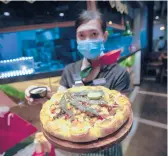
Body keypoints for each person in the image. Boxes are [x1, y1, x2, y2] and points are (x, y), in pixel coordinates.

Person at [25, 10, 130, 156]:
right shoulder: (70, 70)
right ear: (76, 39)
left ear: (104, 36)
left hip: (108, 149)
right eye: (82, 35)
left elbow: (118, 114)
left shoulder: (118, 73)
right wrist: (45, 96)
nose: (87, 40)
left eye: (94, 34)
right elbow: (61, 103)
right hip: (76, 149)